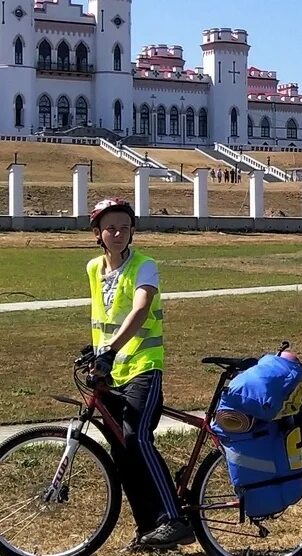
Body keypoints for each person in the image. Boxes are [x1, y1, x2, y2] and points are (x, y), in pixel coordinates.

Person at [87, 198, 194, 550]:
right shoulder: (93, 269)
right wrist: (96, 353)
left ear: (133, 230)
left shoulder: (145, 266)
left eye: (124, 226)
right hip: (111, 371)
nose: (117, 233)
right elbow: (106, 318)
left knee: (136, 439)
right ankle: (149, 529)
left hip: (144, 367)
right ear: (98, 234)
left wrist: (110, 351)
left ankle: (174, 520)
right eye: (110, 227)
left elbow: (140, 308)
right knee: (120, 452)